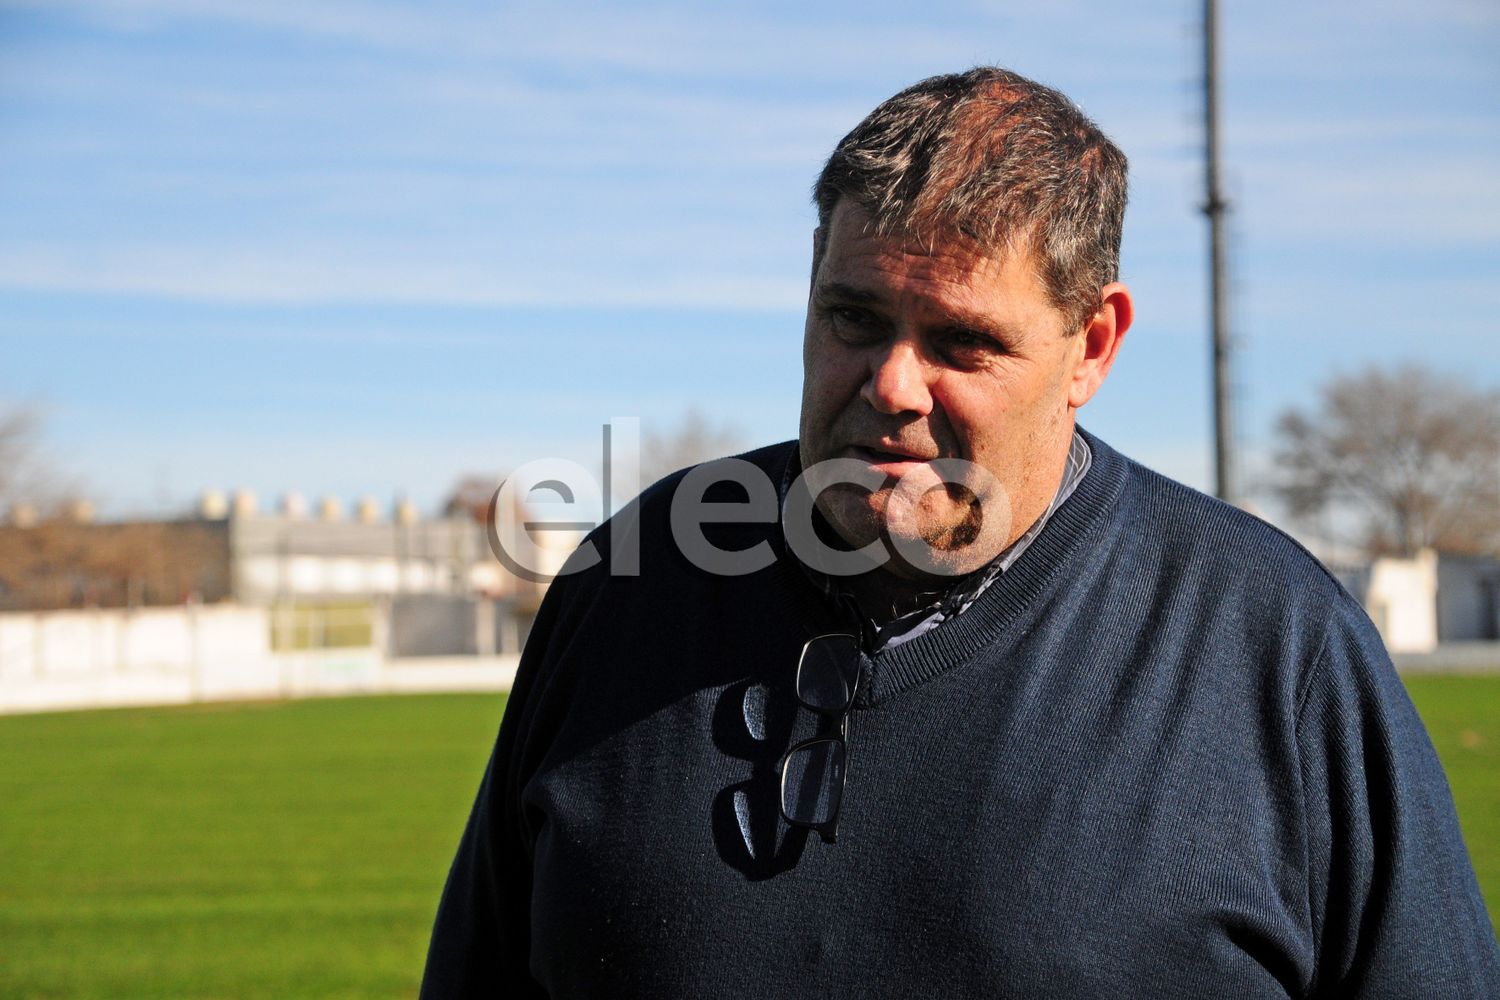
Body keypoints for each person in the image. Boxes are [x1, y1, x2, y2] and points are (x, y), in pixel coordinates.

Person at [420, 67, 1499, 998]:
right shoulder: (633, 580)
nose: (891, 384)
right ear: (809, 284)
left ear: (1093, 346)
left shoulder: (1274, 646)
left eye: (963, 342)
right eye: (854, 319)